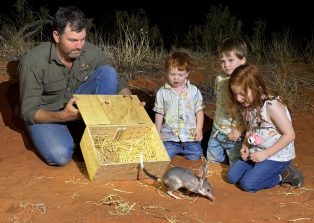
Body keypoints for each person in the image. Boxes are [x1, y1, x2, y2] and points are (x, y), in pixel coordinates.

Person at [18, 6, 132, 166]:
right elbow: (28, 111)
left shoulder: (89, 51)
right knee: (60, 155)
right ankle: (75, 136)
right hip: (49, 115)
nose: (79, 46)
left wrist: (129, 101)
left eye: (82, 39)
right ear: (56, 36)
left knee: (108, 72)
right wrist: (62, 116)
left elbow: (115, 79)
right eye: (72, 40)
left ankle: (98, 138)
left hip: (76, 105)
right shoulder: (32, 63)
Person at [226, 64, 304, 192]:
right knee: (232, 177)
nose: (238, 98)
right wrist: (245, 146)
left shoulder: (271, 106)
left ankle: (283, 174)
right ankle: (261, 171)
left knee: (248, 184)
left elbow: (290, 135)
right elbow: (250, 128)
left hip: (276, 155)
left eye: (242, 94)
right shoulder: (248, 104)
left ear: (256, 87)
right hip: (256, 152)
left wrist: (266, 154)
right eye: (235, 94)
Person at [153, 51, 205, 160]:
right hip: (169, 138)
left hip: (190, 138)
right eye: (172, 74)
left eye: (180, 75)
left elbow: (199, 111)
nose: (176, 78)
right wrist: (157, 132)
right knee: (162, 158)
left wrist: (199, 128)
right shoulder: (162, 92)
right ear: (167, 73)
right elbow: (159, 113)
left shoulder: (194, 91)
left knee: (197, 158)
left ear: (187, 73)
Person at [206, 38, 247, 165]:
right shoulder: (220, 81)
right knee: (212, 161)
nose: (226, 65)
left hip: (233, 135)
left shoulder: (246, 85)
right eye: (222, 61)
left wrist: (239, 130)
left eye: (230, 60)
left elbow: (249, 113)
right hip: (216, 130)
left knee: (235, 163)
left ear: (243, 60)